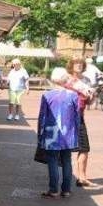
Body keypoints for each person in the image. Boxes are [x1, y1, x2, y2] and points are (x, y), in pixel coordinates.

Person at [36, 67, 79, 198]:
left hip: (51, 132)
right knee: (66, 160)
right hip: (68, 132)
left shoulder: (47, 95)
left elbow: (42, 116)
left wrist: (40, 133)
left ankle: (53, 189)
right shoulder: (73, 95)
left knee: (52, 160)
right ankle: (66, 189)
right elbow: (78, 116)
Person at [65, 58, 95, 187]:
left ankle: (81, 177)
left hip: (79, 116)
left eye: (81, 64)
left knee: (84, 147)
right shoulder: (66, 79)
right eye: (76, 63)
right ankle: (63, 176)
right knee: (64, 147)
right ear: (71, 65)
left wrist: (91, 97)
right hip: (66, 116)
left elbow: (89, 102)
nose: (78, 65)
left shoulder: (86, 81)